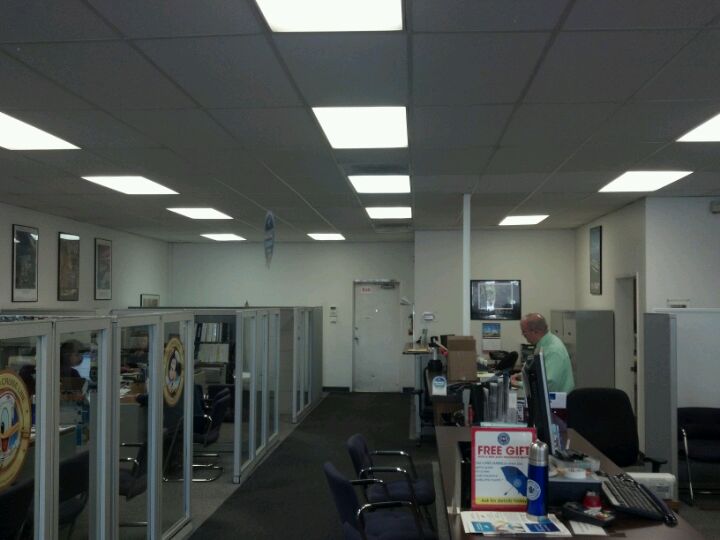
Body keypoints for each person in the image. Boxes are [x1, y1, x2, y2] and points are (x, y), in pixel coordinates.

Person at [511, 313, 575, 393]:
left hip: (557, 399)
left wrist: (518, 384)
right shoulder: (544, 344)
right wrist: (522, 375)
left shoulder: (553, 350)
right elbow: (540, 372)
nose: (523, 334)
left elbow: (548, 384)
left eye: (524, 331)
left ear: (535, 331)